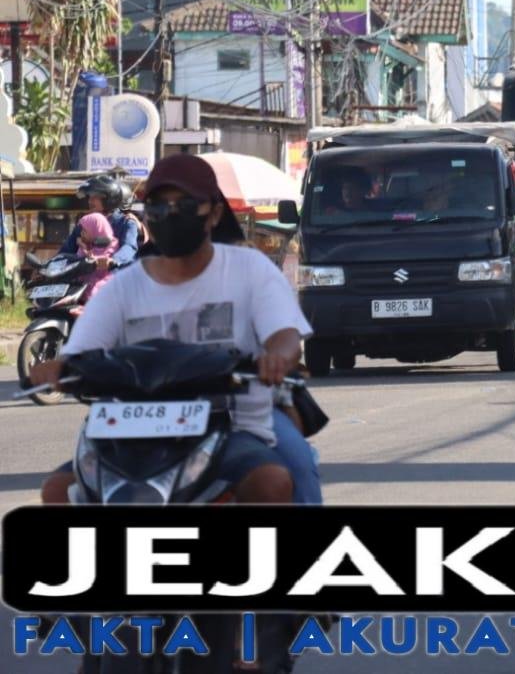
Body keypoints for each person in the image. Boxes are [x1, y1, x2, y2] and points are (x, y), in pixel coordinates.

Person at [34, 154, 320, 507]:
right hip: (131, 432)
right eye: (158, 205)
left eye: (184, 205)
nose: (170, 214)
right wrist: (58, 368)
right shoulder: (123, 287)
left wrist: (277, 357)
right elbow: (80, 352)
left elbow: (285, 334)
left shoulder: (251, 270)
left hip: (234, 421)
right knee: (57, 490)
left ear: (214, 213)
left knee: (279, 478)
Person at [55, 174, 140, 270]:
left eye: (95, 197)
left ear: (108, 199)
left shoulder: (125, 223)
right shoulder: (84, 224)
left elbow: (129, 247)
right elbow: (65, 252)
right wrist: (52, 267)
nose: (90, 201)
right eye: (90, 197)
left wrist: (113, 260)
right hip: (84, 276)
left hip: (114, 275)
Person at [73, 211, 119, 302]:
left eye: (85, 230)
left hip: (103, 288)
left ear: (95, 229)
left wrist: (93, 259)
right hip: (82, 287)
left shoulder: (112, 245)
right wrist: (83, 247)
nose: (82, 233)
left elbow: (103, 264)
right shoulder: (88, 244)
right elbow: (77, 261)